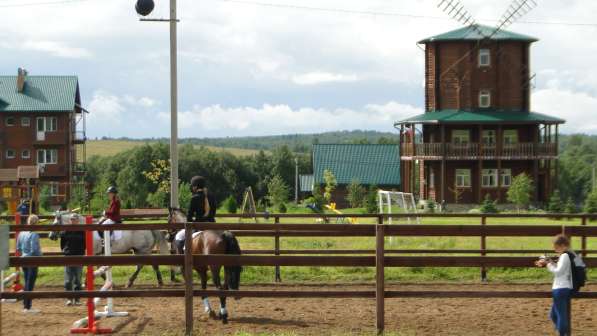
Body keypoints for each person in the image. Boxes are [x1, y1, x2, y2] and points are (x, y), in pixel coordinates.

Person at [535, 234, 583, 336]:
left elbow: (558, 272)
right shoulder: (570, 255)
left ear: (562, 245)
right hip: (564, 288)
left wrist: (548, 264)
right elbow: (563, 269)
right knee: (553, 315)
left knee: (561, 316)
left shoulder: (565, 256)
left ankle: (562, 333)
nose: (555, 249)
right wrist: (550, 261)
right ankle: (563, 331)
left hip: (560, 289)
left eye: (556, 247)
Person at [173, 176, 216, 253]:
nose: (192, 188)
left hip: (199, 226)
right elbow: (213, 213)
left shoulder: (194, 198)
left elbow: (189, 217)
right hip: (212, 225)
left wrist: (193, 220)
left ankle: (182, 260)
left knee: (179, 236)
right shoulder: (212, 197)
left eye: (192, 186)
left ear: (195, 186)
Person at [16, 214, 42, 314]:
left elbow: (18, 248)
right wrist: (41, 256)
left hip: (23, 260)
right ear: (36, 223)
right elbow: (34, 250)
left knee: (27, 281)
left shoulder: (21, 233)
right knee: (30, 284)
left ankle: (25, 304)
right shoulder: (34, 234)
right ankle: (28, 306)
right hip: (32, 260)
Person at [60, 213, 86, 306]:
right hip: (68, 256)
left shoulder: (82, 231)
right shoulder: (65, 231)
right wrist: (66, 251)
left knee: (78, 279)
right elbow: (62, 244)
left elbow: (85, 244)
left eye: (74, 219)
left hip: (79, 256)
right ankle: (69, 298)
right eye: (71, 219)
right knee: (68, 279)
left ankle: (77, 299)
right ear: (69, 220)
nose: (73, 220)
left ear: (78, 220)